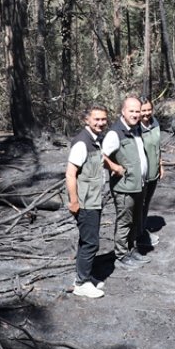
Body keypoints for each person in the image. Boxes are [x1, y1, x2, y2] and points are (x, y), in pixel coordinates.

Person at [65, 105, 114, 297]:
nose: (101, 123)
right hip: (85, 202)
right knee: (91, 242)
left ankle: (84, 275)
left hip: (93, 199)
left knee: (86, 240)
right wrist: (74, 201)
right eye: (97, 119)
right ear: (87, 120)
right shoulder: (82, 143)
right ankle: (81, 284)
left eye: (103, 119)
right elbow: (70, 174)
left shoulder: (95, 140)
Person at [104, 96, 150, 267]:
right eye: (131, 111)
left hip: (138, 185)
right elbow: (101, 156)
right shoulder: (115, 133)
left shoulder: (136, 129)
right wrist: (115, 168)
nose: (135, 114)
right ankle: (121, 256)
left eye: (137, 111)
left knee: (135, 220)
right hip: (124, 187)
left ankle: (131, 250)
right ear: (123, 111)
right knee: (125, 221)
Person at [138, 98, 163, 249]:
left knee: (146, 203)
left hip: (154, 172)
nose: (147, 113)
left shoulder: (155, 123)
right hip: (141, 174)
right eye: (143, 110)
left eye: (149, 109)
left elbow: (157, 146)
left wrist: (161, 164)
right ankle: (138, 235)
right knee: (138, 205)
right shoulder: (135, 128)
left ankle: (141, 230)